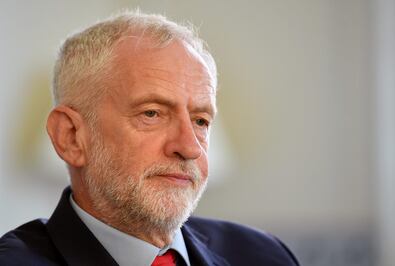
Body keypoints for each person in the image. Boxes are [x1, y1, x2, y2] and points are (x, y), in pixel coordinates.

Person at [0, 10, 299, 266]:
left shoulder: (266, 256)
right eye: (152, 113)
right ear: (71, 137)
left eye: (200, 121)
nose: (190, 147)